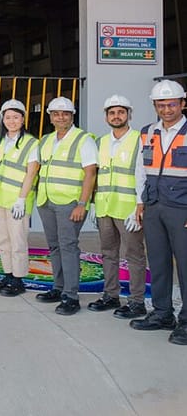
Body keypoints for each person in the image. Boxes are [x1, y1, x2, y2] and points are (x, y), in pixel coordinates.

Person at [130, 79, 187, 345]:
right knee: (159, 262)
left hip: (181, 209)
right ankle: (163, 313)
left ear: (182, 104)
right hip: (154, 206)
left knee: (185, 266)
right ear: (154, 106)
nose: (166, 110)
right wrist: (140, 202)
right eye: (161, 105)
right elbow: (141, 169)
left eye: (171, 104)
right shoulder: (148, 132)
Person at [34, 97, 97, 316]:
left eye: (65, 114)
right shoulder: (46, 140)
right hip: (47, 201)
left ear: (72, 116)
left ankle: (71, 296)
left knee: (68, 246)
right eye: (56, 114)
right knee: (54, 246)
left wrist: (82, 204)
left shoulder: (83, 140)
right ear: (50, 117)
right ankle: (58, 287)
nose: (61, 117)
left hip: (70, 203)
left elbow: (90, 173)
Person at [86, 95, 146, 319]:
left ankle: (137, 302)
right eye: (112, 113)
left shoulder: (139, 140)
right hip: (105, 207)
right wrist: (93, 203)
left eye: (121, 112)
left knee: (134, 255)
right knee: (108, 253)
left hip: (129, 209)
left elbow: (143, 176)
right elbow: (96, 175)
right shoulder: (101, 142)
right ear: (106, 117)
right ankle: (111, 295)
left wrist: (139, 206)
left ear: (129, 115)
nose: (116, 116)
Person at [0, 99, 39, 297]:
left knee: (18, 242)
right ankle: (8, 275)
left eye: (16, 117)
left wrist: (22, 199)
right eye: (8, 117)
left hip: (17, 201)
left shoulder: (31, 143)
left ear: (23, 119)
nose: (12, 121)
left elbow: (31, 173)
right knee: (2, 240)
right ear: (2, 119)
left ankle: (18, 279)